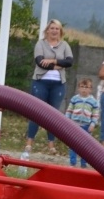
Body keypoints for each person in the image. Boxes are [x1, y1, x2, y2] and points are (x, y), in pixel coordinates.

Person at [25, 19, 73, 155]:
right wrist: (59, 64)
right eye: (52, 28)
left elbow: (69, 62)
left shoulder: (64, 45)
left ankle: (51, 144)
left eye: (57, 28)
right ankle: (29, 141)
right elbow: (40, 62)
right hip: (41, 81)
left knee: (53, 114)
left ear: (60, 31)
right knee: (36, 112)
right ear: (47, 30)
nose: (54, 31)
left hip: (58, 84)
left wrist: (52, 61)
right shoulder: (40, 44)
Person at [64, 78, 99, 168]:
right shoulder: (75, 99)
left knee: (85, 146)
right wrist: (67, 120)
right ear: (78, 88)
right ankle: (72, 162)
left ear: (90, 89)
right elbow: (69, 110)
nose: (84, 89)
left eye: (86, 87)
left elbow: (95, 114)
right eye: (82, 87)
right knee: (73, 144)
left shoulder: (93, 101)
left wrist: (92, 124)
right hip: (74, 124)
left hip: (86, 126)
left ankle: (84, 163)